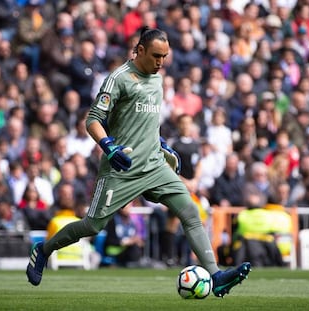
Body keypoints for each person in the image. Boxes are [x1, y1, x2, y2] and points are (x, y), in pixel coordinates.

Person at [26, 27, 251, 297]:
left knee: (190, 212)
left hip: (154, 165)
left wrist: (162, 144)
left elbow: (148, 122)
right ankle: (44, 250)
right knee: (92, 226)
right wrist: (108, 146)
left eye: (165, 56)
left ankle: (216, 276)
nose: (161, 62)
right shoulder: (118, 78)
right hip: (121, 168)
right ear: (140, 50)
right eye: (156, 55)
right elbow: (92, 119)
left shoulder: (158, 80)